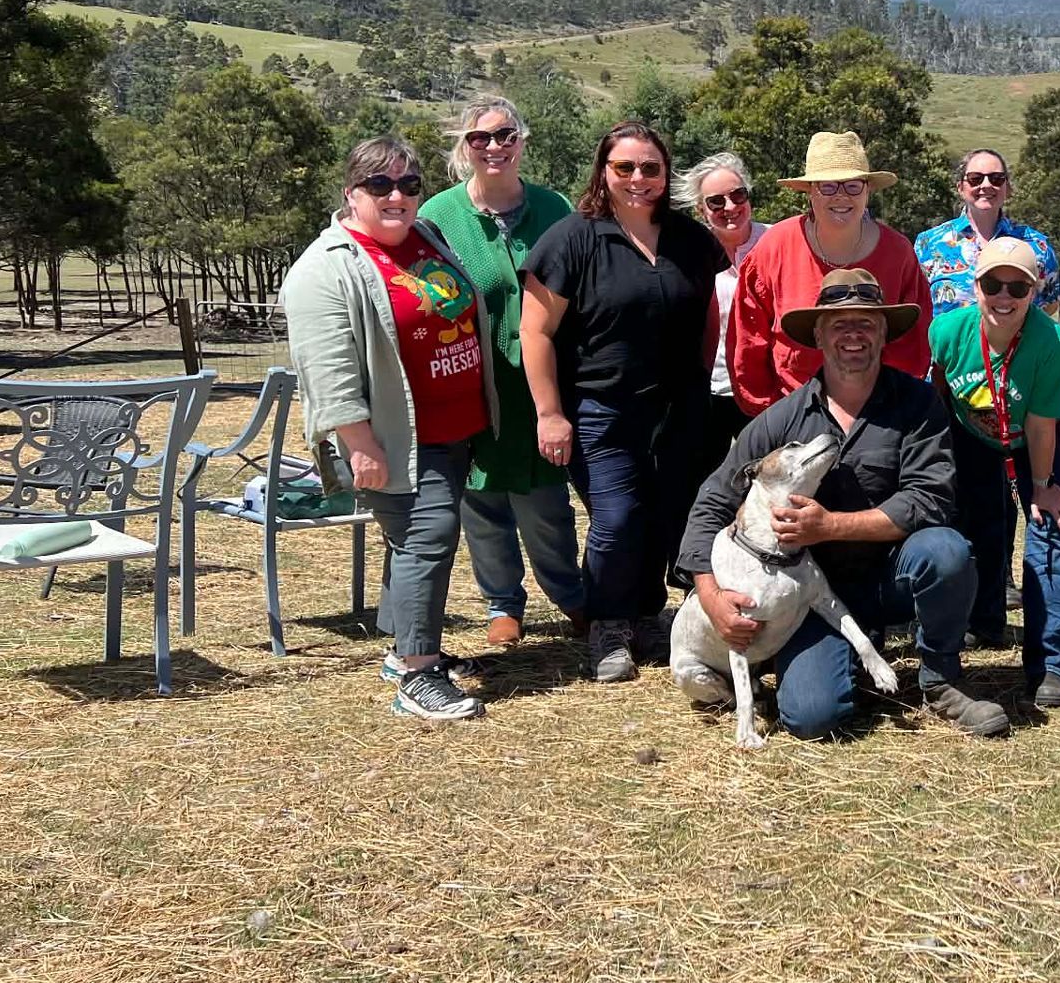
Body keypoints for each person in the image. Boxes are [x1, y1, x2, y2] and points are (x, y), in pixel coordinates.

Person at [678, 268, 1008, 740]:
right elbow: (711, 503)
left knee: (947, 551)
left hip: (896, 574)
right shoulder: (780, 421)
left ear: (883, 333)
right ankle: (844, 656)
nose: (853, 334)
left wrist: (829, 525)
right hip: (810, 601)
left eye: (866, 323)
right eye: (838, 323)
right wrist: (712, 599)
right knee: (812, 717)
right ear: (817, 334)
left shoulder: (918, 404)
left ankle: (941, 680)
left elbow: (930, 499)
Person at [281, 137, 496, 722]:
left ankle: (405, 648)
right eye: (380, 186)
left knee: (415, 540)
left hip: (455, 427)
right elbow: (327, 373)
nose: (397, 196)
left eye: (408, 184)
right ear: (351, 193)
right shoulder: (325, 268)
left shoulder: (428, 237)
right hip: (396, 438)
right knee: (427, 538)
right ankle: (417, 673)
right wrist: (361, 445)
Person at [520, 121, 727, 684]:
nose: (639, 179)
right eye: (625, 168)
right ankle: (607, 624)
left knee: (666, 514)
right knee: (616, 518)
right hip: (598, 408)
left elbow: (707, 314)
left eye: (651, 168)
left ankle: (645, 613)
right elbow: (535, 332)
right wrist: (550, 413)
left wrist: (700, 382)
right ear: (603, 172)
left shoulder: (691, 240)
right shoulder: (572, 239)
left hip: (678, 409)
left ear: (667, 173)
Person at [419, 95, 583, 647]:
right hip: (469, 381)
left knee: (545, 501)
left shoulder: (554, 207)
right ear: (465, 148)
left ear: (523, 140)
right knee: (480, 497)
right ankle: (501, 603)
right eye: (480, 138)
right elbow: (420, 289)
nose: (495, 147)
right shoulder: (438, 217)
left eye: (506, 135)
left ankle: (569, 595)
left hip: (543, 379)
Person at [928, 238, 1060, 708]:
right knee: (973, 527)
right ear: (976, 286)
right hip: (970, 434)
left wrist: (1042, 486)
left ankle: (1050, 664)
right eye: (994, 283)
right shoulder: (947, 331)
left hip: (1035, 435)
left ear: (1034, 292)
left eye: (1018, 287)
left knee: (1048, 531)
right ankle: (980, 624)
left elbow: (1039, 425)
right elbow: (937, 392)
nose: (1004, 296)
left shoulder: (1054, 346)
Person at [727, 131, 933, 415]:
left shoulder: (898, 253)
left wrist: (888, 413)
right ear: (809, 190)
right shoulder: (775, 247)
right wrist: (772, 417)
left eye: (852, 185)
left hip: (880, 417)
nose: (841, 196)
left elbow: (912, 345)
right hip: (793, 417)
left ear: (867, 189)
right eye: (827, 186)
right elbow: (748, 342)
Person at [672, 151, 769, 488]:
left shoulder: (776, 242)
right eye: (716, 202)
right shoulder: (685, 254)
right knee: (705, 487)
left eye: (738, 195)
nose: (730, 207)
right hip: (707, 391)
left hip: (766, 391)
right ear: (701, 210)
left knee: (766, 484)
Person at [914, 148, 1060, 317]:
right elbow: (917, 305)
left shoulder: (1037, 246)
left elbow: (1050, 306)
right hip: (948, 344)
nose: (986, 185)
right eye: (975, 179)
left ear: (1007, 188)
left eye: (996, 179)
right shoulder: (928, 243)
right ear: (960, 188)